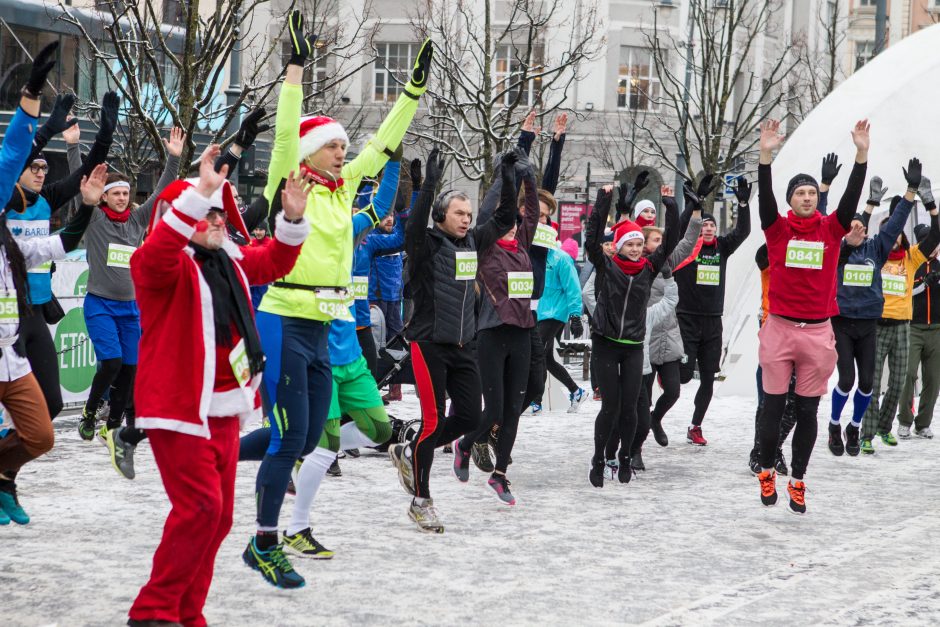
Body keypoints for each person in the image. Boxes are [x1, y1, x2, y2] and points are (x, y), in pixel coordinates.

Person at [238, 11, 431, 585]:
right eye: (334, 146)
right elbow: (287, 129)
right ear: (310, 151)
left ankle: (232, 469)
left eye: (344, 146)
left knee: (301, 436)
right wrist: (294, 69)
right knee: (292, 435)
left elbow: (385, 144)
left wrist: (412, 93)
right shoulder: (287, 180)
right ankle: (265, 542)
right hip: (283, 317)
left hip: (324, 325)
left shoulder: (344, 188)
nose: (344, 152)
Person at [127, 147, 310, 624]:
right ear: (180, 217)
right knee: (200, 508)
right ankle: (154, 610)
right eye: (204, 213)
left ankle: (189, 613)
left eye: (218, 214)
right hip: (180, 410)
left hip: (227, 410)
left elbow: (272, 262)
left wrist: (291, 221)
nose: (216, 220)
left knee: (220, 517)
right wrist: (201, 190)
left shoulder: (228, 262)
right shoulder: (161, 266)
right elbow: (158, 250)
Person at [276, 149, 401, 558]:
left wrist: (394, 163)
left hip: (353, 359)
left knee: (380, 431)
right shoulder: (299, 240)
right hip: (319, 357)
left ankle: (304, 452)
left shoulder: (347, 230)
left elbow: (380, 205)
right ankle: (297, 526)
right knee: (326, 447)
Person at [0, 41, 103, 524]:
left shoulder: (11, 231)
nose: (39, 174)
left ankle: (3, 478)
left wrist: (32, 94)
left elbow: (47, 246)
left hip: (15, 342)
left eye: (43, 169)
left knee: (41, 434)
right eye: (34, 170)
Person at [389, 149, 516, 532]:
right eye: (459, 212)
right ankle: (421, 500)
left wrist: (507, 175)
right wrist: (428, 184)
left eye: (468, 214)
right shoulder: (425, 244)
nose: (466, 219)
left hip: (464, 344)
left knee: (470, 416)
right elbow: (411, 229)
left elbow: (507, 218)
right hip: (428, 344)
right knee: (432, 421)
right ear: (442, 215)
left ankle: (410, 451)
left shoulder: (474, 243)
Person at [755, 118, 869, 514]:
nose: (806, 197)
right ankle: (767, 469)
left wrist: (861, 155)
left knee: (807, 411)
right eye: (799, 193)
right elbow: (764, 199)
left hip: (818, 334)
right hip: (781, 329)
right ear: (791, 200)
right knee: (771, 408)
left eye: (810, 192)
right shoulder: (778, 230)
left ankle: (798, 480)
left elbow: (852, 198)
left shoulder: (831, 229)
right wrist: (765, 158)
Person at [76, 126, 186, 452]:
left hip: (130, 308)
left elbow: (164, 190)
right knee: (110, 364)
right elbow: (82, 186)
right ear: (105, 196)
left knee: (130, 370)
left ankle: (113, 431)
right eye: (116, 193)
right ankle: (90, 410)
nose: (123, 198)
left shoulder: (137, 221)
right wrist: (73, 150)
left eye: (126, 193)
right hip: (100, 304)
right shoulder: (95, 220)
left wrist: (174, 159)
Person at [453, 147, 539, 506]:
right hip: (491, 333)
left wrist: (529, 177)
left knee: (512, 412)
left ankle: (500, 475)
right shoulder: (484, 247)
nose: (513, 224)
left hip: (521, 334)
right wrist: (507, 174)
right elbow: (491, 209)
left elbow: (531, 212)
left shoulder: (522, 245)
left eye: (516, 222)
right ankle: (464, 443)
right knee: (492, 410)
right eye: (508, 221)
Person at [585, 184, 677, 487]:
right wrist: (603, 201)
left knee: (630, 408)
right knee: (610, 406)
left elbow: (671, 241)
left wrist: (670, 204)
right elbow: (592, 238)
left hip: (635, 345)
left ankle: (625, 456)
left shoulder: (648, 269)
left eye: (639, 244)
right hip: (606, 343)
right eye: (630, 244)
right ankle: (599, 459)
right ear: (620, 245)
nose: (636, 248)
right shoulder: (607, 265)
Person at [827, 164, 923, 456]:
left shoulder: (875, 249)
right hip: (843, 321)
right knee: (846, 380)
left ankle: (854, 427)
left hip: (869, 322)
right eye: (853, 225)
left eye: (861, 226)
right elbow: (832, 249)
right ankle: (833, 425)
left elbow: (895, 224)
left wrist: (910, 192)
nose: (858, 229)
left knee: (868, 383)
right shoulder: (838, 251)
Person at [672, 169, 751, 446]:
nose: (707, 229)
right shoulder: (687, 249)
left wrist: (743, 205)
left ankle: (696, 425)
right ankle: (663, 377)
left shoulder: (722, 248)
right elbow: (681, 228)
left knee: (708, 378)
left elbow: (743, 231)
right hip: (686, 319)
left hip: (712, 321)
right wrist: (697, 202)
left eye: (711, 226)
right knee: (682, 377)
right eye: (704, 225)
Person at [859, 181, 940, 454]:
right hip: (876, 326)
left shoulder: (910, 258)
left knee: (898, 383)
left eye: (896, 234)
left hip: (902, 327)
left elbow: (936, 235)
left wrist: (930, 205)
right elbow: (852, 236)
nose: (892, 237)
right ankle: (866, 433)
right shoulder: (873, 256)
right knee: (870, 381)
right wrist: (869, 209)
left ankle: (884, 427)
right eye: (887, 233)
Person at [898, 217, 940, 440]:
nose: (932, 247)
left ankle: (923, 423)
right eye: (927, 243)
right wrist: (925, 284)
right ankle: (904, 420)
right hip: (912, 327)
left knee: (933, 379)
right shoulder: (911, 264)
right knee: (908, 374)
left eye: (934, 243)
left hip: (936, 329)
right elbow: (906, 292)